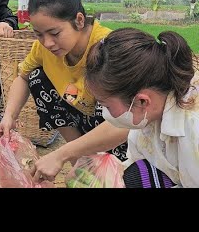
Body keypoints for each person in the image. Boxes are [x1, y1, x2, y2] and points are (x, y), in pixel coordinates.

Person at [31, 28, 199, 188]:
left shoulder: (192, 129)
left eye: (106, 105)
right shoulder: (150, 111)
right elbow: (137, 164)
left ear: (142, 101)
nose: (105, 114)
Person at [0, 0, 128, 161]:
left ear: (79, 21)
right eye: (39, 34)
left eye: (54, 33)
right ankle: (82, 160)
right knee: (36, 78)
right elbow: (22, 78)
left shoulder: (109, 48)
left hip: (119, 129)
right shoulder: (43, 47)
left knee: (104, 91)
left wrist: (60, 155)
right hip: (82, 114)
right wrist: (9, 116)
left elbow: (126, 122)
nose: (47, 43)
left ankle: (102, 160)